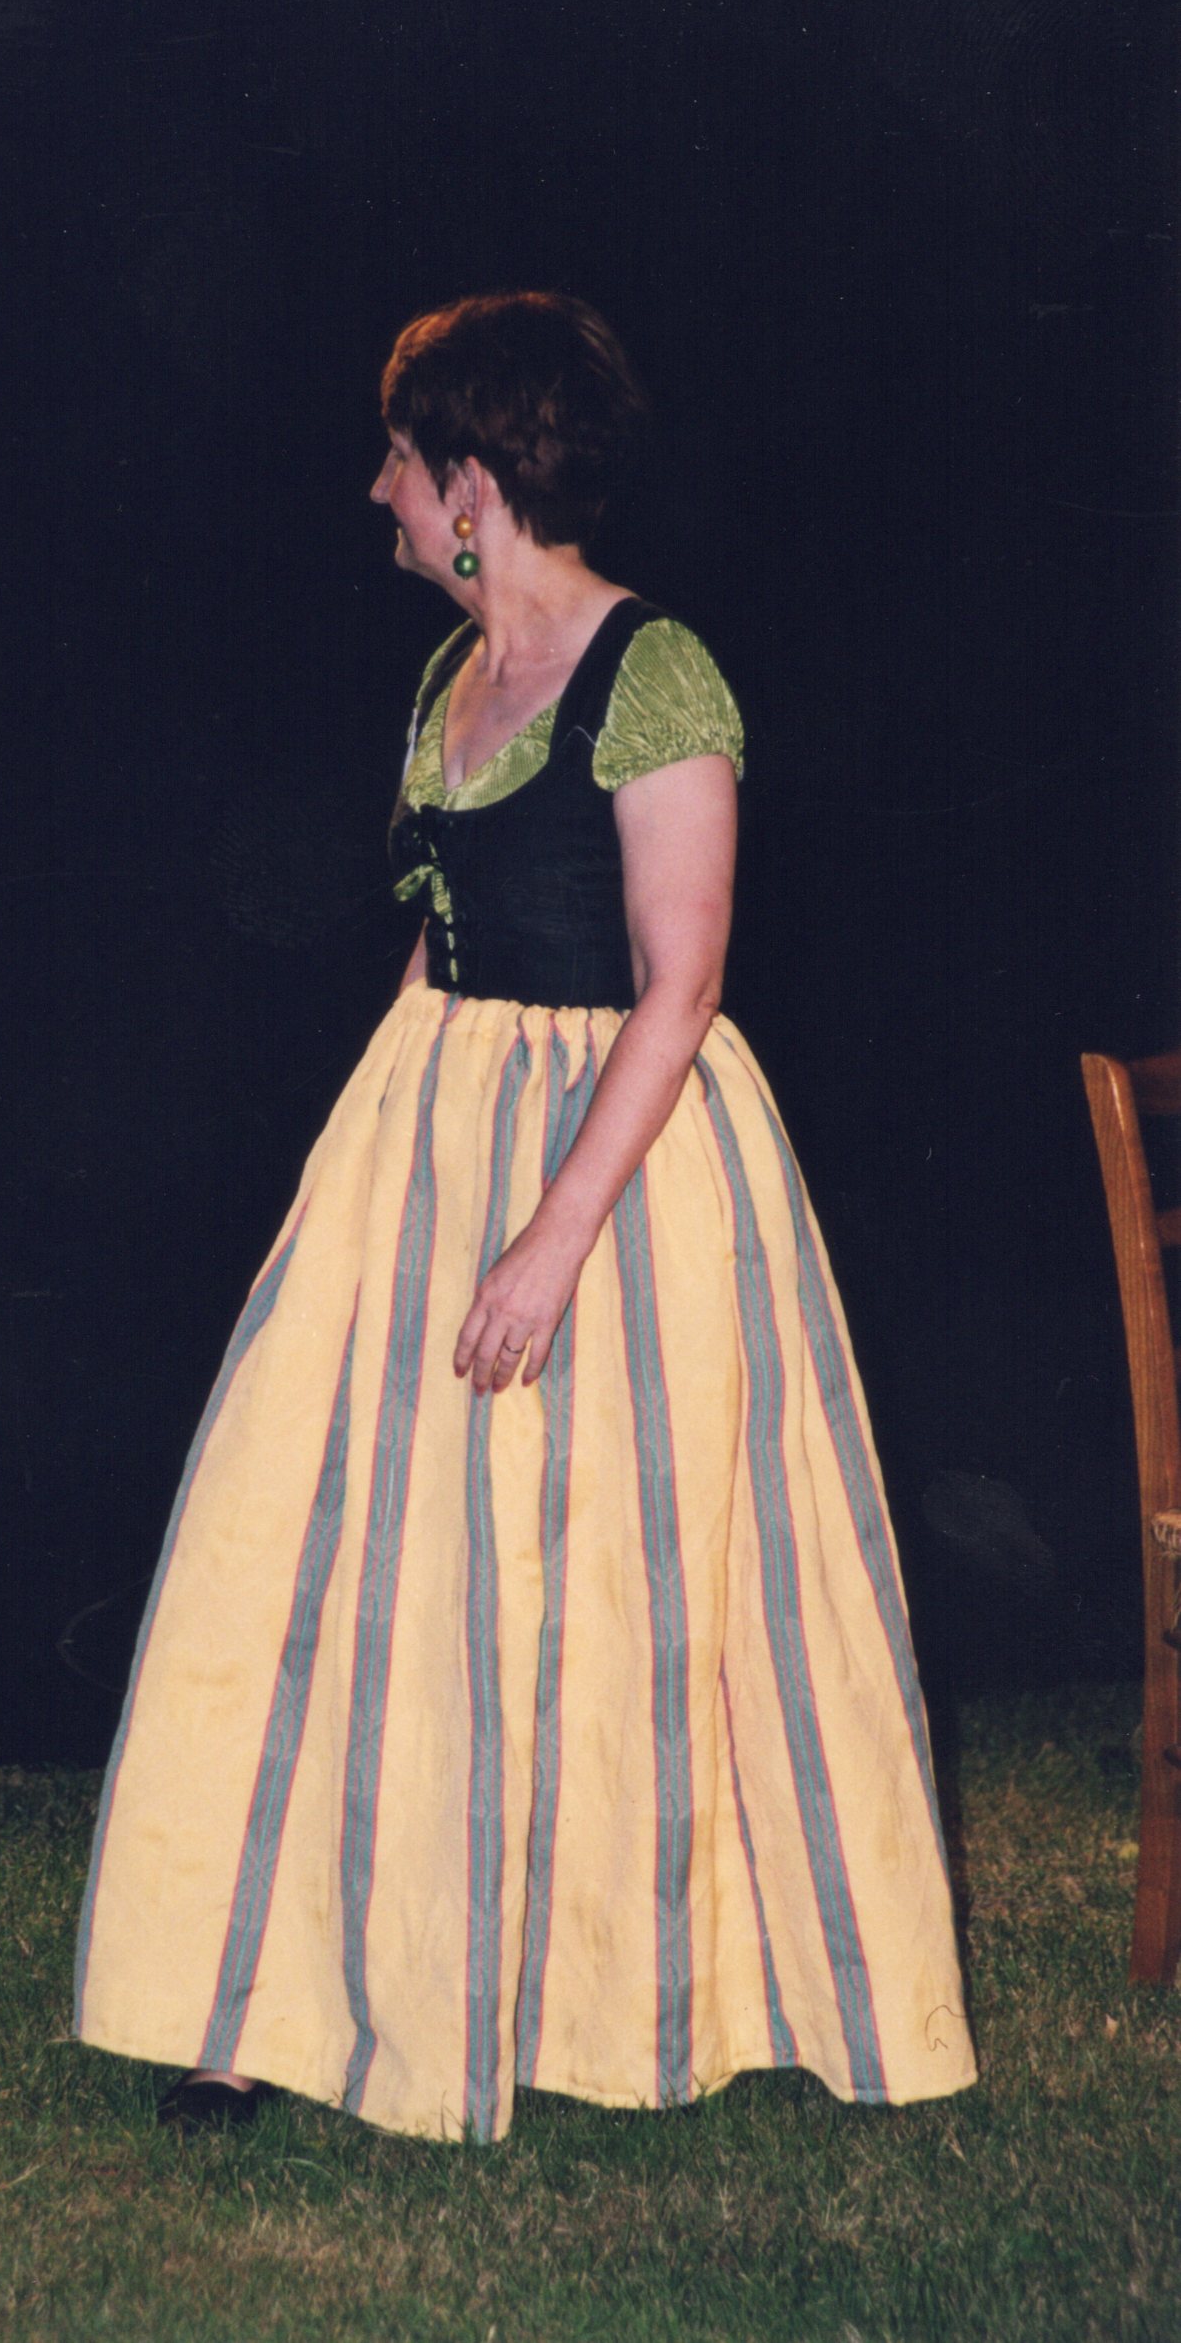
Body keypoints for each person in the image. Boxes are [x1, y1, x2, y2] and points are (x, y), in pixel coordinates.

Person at [74, 292, 976, 2143]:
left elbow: (682, 979)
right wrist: (363, 1175)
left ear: (476, 483)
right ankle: (268, 1998)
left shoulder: (656, 672)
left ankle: (618, 1989)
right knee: (328, 1543)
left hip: (624, 1160)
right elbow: (442, 938)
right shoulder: (449, 680)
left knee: (616, 1573)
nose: (381, 492)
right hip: (435, 1124)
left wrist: (554, 1237)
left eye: (403, 460)